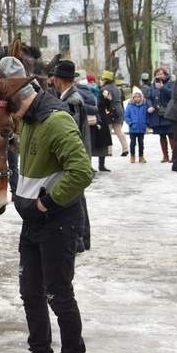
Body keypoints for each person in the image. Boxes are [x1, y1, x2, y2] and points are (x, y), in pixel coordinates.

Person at [0, 57, 92, 353]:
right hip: (33, 222)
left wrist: (44, 203)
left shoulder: (55, 120)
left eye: (9, 108)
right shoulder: (27, 121)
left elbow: (81, 172)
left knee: (58, 294)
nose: (9, 116)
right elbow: (30, 157)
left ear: (20, 97)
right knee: (31, 292)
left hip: (58, 222)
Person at [51, 60, 92, 253]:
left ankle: (79, 240)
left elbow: (69, 131)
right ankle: (82, 239)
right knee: (77, 197)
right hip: (78, 154)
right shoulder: (71, 98)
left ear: (59, 80)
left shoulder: (72, 101)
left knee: (74, 199)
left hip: (74, 156)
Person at [145, 67, 175, 163]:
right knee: (162, 135)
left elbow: (172, 95)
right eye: (157, 75)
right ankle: (165, 155)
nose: (159, 76)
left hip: (168, 112)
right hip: (157, 114)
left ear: (165, 75)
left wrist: (162, 88)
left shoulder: (171, 84)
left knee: (171, 134)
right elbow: (149, 97)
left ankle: (174, 155)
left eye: (161, 74)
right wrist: (149, 106)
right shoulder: (152, 86)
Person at [99, 71, 128, 156]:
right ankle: (125, 148)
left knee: (108, 132)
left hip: (110, 111)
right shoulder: (116, 88)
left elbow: (107, 100)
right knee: (118, 130)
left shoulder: (105, 89)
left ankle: (109, 151)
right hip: (119, 110)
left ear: (105, 79)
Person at [87, 73, 112, 172]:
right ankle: (89, 165)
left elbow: (108, 103)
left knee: (103, 142)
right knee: (92, 143)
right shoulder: (86, 93)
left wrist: (108, 97)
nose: (92, 83)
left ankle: (102, 164)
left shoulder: (101, 91)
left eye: (93, 81)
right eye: (90, 82)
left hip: (102, 119)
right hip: (92, 121)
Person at [123, 88, 149, 163]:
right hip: (133, 127)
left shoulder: (145, 105)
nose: (137, 98)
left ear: (141, 97)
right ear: (133, 98)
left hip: (142, 127)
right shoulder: (130, 106)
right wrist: (130, 123)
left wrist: (146, 123)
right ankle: (132, 156)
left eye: (139, 96)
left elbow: (147, 115)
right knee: (133, 143)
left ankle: (141, 156)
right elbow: (126, 115)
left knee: (141, 143)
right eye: (135, 97)